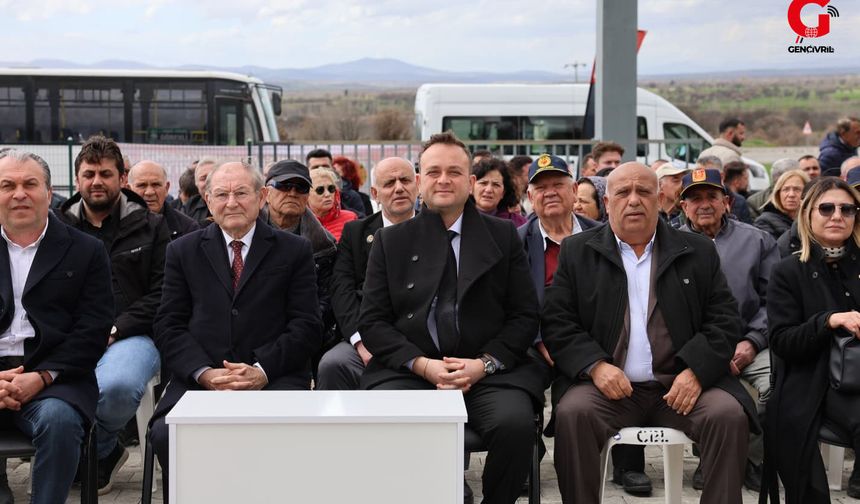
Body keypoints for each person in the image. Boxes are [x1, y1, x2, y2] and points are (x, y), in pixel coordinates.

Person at [542, 162, 756, 504]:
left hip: (681, 388)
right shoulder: (578, 251)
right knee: (572, 413)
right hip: (608, 389)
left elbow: (724, 319)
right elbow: (558, 322)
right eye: (623, 192)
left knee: (728, 415)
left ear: (660, 199)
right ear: (607, 201)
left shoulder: (697, 251)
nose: (634, 200)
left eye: (643, 191)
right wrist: (596, 367)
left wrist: (697, 371)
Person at [359, 132, 545, 504]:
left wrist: (483, 365)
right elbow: (373, 322)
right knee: (387, 427)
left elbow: (525, 315)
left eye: (455, 172)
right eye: (433, 172)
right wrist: (423, 365)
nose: (443, 180)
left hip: (488, 373)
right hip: (411, 372)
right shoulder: (390, 241)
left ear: (472, 183)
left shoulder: (503, 236)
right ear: (420, 181)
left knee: (516, 426)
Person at [150, 161, 322, 503]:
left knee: (284, 437)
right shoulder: (182, 251)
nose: (232, 202)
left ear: (261, 198)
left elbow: (307, 325)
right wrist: (205, 374)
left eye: (241, 193)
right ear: (208, 200)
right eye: (222, 194)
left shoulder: (295, 250)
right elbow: (168, 324)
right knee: (168, 434)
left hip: (275, 376)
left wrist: (261, 372)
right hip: (202, 377)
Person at [0, 150, 113, 504]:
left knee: (60, 421)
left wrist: (44, 375)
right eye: (7, 185)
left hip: (56, 377)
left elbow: (93, 329)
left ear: (49, 194)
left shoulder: (86, 251)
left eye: (30, 184)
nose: (19, 193)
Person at [57, 136, 168, 494]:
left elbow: (164, 292)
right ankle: (76, 451)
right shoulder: (58, 228)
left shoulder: (150, 227)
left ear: (122, 178)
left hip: (134, 333)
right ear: (77, 180)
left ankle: (100, 450)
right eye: (88, 174)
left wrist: (117, 328)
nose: (96, 182)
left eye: (106, 173)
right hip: (69, 333)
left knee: (116, 387)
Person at [678, 168, 780, 492]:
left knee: (777, 384)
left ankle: (749, 459)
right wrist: (704, 354)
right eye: (695, 198)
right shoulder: (669, 245)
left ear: (726, 201)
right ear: (683, 206)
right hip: (694, 348)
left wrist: (751, 342)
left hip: (751, 343)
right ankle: (711, 458)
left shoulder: (758, 240)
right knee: (697, 385)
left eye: (711, 196)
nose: (704, 204)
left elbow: (774, 303)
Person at [765, 177, 860, 502]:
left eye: (847, 209)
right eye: (827, 208)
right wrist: (830, 321)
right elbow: (782, 341)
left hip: (857, 380)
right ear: (809, 214)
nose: (837, 215)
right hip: (810, 380)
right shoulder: (789, 270)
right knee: (792, 436)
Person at [319, 157, 419, 390]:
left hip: (420, 338)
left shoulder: (437, 230)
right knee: (333, 364)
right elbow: (341, 289)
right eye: (389, 183)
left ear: (418, 185)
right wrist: (360, 342)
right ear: (374, 193)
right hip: (367, 335)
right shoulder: (356, 232)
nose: (399, 188)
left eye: (405, 180)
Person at [519, 154, 600, 364]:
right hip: (536, 347)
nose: (550, 193)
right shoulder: (516, 241)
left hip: (597, 341)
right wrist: (539, 341)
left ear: (574, 191)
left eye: (558, 185)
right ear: (530, 196)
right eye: (541, 188)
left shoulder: (603, 237)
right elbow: (513, 305)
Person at [264, 160, 339, 370]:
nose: (293, 193)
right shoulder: (246, 233)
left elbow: (326, 300)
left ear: (307, 196)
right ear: (266, 193)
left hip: (304, 333)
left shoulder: (326, 245)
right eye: (284, 186)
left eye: (301, 187)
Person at [128, 160, 199, 240]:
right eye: (142, 185)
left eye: (156, 185)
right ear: (129, 189)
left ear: (166, 188)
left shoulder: (188, 229)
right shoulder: (114, 226)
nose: (149, 192)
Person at [306, 149, 366, 216]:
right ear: (307, 170)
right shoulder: (301, 197)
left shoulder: (352, 197)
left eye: (325, 167)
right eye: (315, 167)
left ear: (333, 168)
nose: (321, 170)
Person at [754, 169, 810, 241]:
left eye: (797, 189)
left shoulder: (812, 219)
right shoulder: (764, 222)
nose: (791, 195)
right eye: (786, 189)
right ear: (778, 194)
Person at [471, 158, 526, 227]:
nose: (488, 190)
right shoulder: (457, 219)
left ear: (503, 192)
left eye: (496, 185)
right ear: (471, 186)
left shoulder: (519, 224)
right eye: (483, 183)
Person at [308, 167, 358, 241]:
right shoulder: (298, 221)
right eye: (320, 190)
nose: (327, 194)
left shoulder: (350, 218)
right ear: (306, 195)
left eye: (331, 188)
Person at [182, 158, 216, 227]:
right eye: (203, 178)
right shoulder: (190, 206)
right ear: (196, 183)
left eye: (212, 176)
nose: (208, 182)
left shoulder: (232, 203)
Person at [655, 164, 688, 229]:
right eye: (676, 180)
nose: (682, 184)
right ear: (659, 185)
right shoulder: (651, 216)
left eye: (684, 180)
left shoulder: (689, 214)